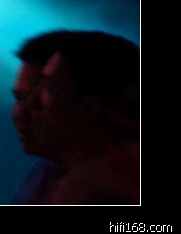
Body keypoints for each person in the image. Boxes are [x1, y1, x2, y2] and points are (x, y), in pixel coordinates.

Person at [17, 30, 139, 205]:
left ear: (90, 104)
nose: (32, 102)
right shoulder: (52, 171)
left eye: (49, 88)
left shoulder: (101, 189)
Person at [11, 30, 72, 204]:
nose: (20, 113)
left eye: (38, 102)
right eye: (18, 99)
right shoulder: (49, 167)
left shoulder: (106, 189)